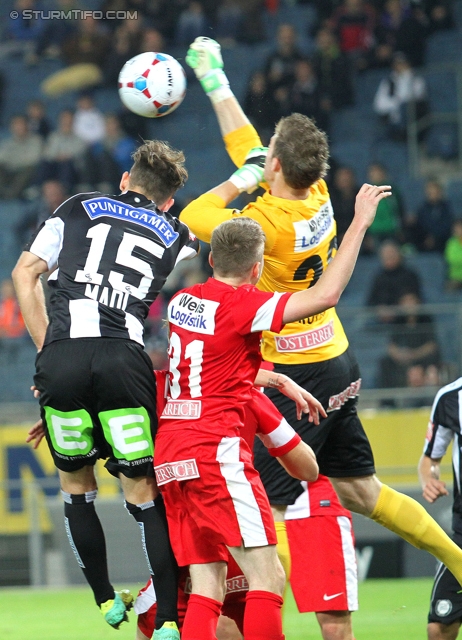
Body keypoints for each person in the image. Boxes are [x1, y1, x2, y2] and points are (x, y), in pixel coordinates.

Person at [179, 37, 462, 621]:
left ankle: (298, 605)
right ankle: (459, 560)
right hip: (336, 357)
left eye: (268, 158)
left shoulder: (264, 224)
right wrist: (216, 84)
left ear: (275, 166)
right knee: (364, 491)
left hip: (293, 372)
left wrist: (237, 177)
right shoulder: (323, 197)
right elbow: (254, 148)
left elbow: (196, 216)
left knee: (268, 512)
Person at [154, 186, 390, 640]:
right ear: (258, 268)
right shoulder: (244, 306)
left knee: (207, 585)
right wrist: (359, 222)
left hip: (173, 451)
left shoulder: (183, 302)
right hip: (214, 449)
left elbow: (210, 361)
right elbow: (325, 296)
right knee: (267, 578)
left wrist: (276, 378)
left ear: (210, 261)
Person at [12, 140, 200, 639]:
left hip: (63, 358)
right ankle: (165, 621)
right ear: (167, 201)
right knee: (142, 492)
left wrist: (47, 353)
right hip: (124, 360)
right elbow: (216, 261)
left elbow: (24, 274)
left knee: (76, 489)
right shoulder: (176, 231)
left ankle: (104, 601)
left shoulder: (76, 208)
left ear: (124, 180)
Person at [418, 377, 462, 640]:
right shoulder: (450, 397)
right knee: (439, 625)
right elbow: (430, 460)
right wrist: (430, 479)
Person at [378, 291, 441, 389]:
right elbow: (391, 345)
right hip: (404, 358)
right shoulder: (398, 321)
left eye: (411, 301)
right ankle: (388, 401)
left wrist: (414, 354)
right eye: (405, 301)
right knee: (385, 363)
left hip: (422, 357)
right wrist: (399, 354)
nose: (409, 305)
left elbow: (431, 345)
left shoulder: (426, 319)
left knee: (433, 360)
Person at [373, 51, 429, 143]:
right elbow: (379, 105)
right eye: (397, 63)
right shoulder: (388, 82)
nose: (399, 66)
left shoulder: (417, 80)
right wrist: (397, 103)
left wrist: (394, 102)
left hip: (413, 121)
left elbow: (412, 99)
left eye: (402, 63)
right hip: (392, 122)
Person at [366, 239, 422, 323]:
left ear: (399, 254)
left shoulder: (409, 275)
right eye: (386, 255)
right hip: (380, 318)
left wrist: (397, 309)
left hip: (402, 316)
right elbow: (370, 301)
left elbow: (415, 297)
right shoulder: (379, 277)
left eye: (391, 254)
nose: (389, 257)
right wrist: (379, 309)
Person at [444, 219, 462, 291]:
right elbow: (451, 259)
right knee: (449, 289)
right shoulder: (451, 243)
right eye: (457, 228)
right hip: (455, 276)